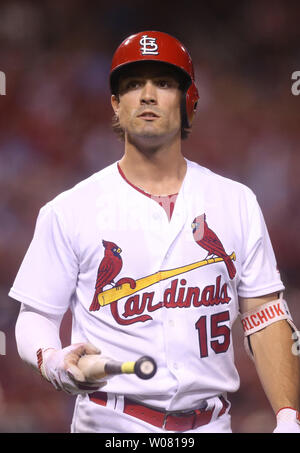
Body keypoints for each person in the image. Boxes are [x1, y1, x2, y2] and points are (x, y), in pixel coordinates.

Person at [9, 31, 300, 433]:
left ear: (188, 102)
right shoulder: (69, 209)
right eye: (132, 85)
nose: (147, 95)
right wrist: (54, 360)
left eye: (163, 83)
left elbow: (265, 318)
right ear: (115, 104)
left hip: (211, 424)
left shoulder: (236, 201)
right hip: (112, 424)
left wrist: (288, 418)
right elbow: (35, 316)